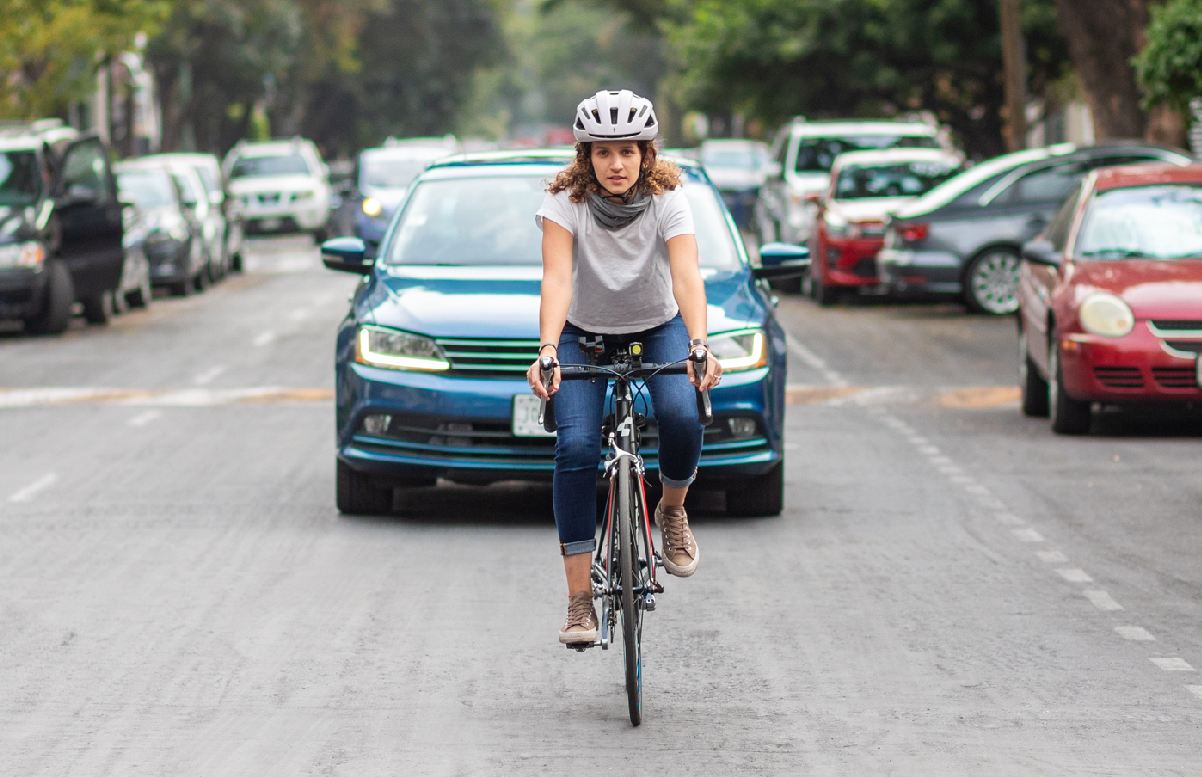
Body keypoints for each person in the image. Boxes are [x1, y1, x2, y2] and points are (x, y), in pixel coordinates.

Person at [527, 89, 723, 645]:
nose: (617, 164)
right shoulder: (564, 203)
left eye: (628, 152)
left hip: (657, 327)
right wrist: (546, 349)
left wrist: (700, 342)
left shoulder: (670, 200)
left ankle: (672, 511)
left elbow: (686, 274)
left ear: (647, 154)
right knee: (578, 448)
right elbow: (557, 279)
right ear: (585, 156)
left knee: (684, 416)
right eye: (603, 152)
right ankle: (580, 602)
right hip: (580, 336)